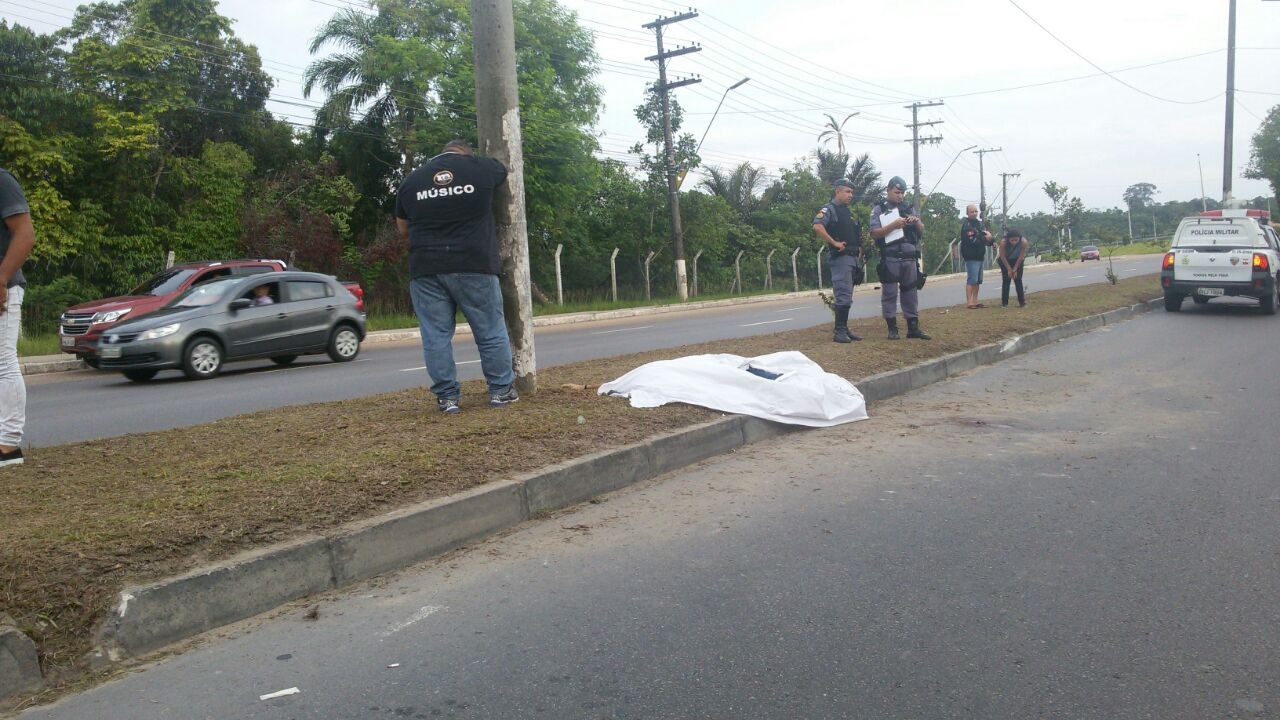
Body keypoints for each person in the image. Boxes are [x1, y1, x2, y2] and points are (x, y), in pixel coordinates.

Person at [395, 139, 516, 414]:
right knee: (490, 331)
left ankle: (448, 399)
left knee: (435, 336)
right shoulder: (480, 168)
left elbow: (403, 229)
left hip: (426, 268)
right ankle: (501, 391)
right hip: (473, 264)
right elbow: (503, 171)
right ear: (465, 153)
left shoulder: (412, 181)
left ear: (441, 154)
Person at [0, 169, 34, 466]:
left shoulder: (2, 180)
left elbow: (25, 233)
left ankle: (9, 447)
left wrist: (1, 278)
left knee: (3, 362)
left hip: (3, 287)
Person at [870, 176, 930, 340]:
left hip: (909, 258)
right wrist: (893, 226)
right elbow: (874, 233)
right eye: (897, 192)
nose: (900, 196)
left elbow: (921, 230)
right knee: (889, 293)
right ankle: (892, 329)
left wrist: (915, 221)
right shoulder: (879, 209)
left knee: (910, 292)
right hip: (890, 258)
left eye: (902, 193)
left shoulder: (908, 208)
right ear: (888, 190)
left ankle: (913, 328)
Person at [813, 177, 864, 342]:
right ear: (838, 191)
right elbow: (817, 226)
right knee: (843, 295)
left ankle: (844, 328)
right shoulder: (829, 209)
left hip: (852, 258)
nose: (850, 195)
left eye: (852, 193)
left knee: (847, 295)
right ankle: (839, 331)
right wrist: (833, 242)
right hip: (841, 258)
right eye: (847, 192)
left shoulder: (846, 211)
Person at [958, 203, 993, 309]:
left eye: (976, 211)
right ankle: (969, 302)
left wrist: (991, 240)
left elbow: (985, 236)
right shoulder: (967, 225)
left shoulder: (979, 224)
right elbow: (972, 240)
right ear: (967, 213)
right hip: (971, 256)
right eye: (972, 211)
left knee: (978, 280)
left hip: (980, 255)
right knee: (971, 280)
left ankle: (975, 300)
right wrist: (985, 238)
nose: (974, 213)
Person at [998, 228, 1028, 307]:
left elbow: (1021, 256)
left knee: (1018, 280)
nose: (1014, 242)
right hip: (1005, 261)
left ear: (1019, 238)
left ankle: (1022, 302)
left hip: (1017, 260)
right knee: (1006, 280)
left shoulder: (1023, 242)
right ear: (1008, 239)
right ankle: (1005, 303)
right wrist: (1009, 269)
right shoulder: (1003, 243)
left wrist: (1014, 269)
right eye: (1012, 240)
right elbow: (1002, 257)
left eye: (1016, 240)